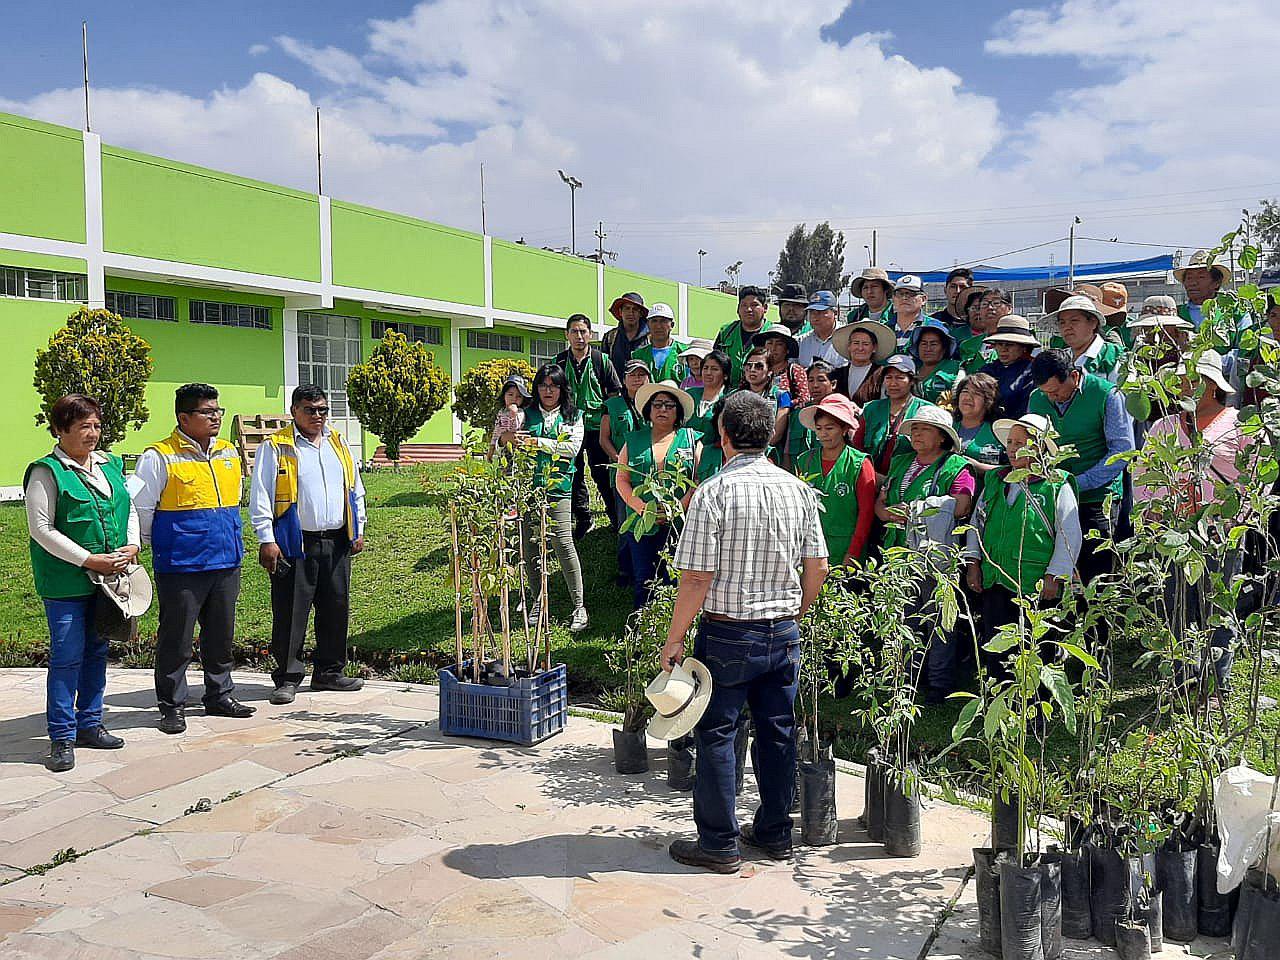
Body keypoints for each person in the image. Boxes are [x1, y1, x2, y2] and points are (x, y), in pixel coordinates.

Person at [662, 391, 829, 873]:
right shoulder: (797, 490)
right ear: (770, 435)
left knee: (716, 734)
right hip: (782, 633)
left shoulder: (712, 493)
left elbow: (696, 577)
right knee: (778, 732)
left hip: (728, 633)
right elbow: (816, 565)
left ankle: (719, 843)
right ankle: (775, 834)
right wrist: (796, 610)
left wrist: (675, 638)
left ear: (724, 435)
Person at [26, 394, 140, 772]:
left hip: (108, 580)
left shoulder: (108, 464)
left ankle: (90, 723)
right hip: (66, 582)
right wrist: (88, 559)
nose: (92, 434)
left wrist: (132, 545)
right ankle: (62, 735)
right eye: (82, 427)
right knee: (67, 657)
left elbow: (128, 507)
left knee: (97, 652)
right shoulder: (46, 472)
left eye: (96, 425)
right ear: (60, 430)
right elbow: (41, 529)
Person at [131, 383, 254, 734]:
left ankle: (219, 694)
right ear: (184, 417)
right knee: (177, 639)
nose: (216, 417)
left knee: (221, 635)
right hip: (182, 564)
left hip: (226, 561)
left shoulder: (229, 452)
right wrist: (148, 549)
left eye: (218, 411)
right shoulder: (159, 456)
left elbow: (233, 502)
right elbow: (141, 509)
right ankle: (172, 705)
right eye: (207, 412)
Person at [1135, 351, 1256, 694]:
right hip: (1176, 531)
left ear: (1211, 384)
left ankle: (1217, 683)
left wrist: (1238, 519)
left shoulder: (1240, 424)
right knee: (1178, 603)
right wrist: (1152, 512)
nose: (1185, 385)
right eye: (1181, 379)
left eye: (1192, 378)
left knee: (1218, 604)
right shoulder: (1164, 426)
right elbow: (1144, 476)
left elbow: (1255, 477)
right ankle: (1183, 679)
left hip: (1222, 532)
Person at [250, 384, 368, 704]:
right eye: (310, 410)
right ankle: (287, 677)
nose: (318, 416)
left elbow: (355, 488)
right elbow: (260, 495)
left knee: (335, 609)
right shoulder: (276, 447)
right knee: (291, 613)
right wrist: (266, 539)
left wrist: (358, 527)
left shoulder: (338, 443)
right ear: (294, 411)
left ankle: (329, 672)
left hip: (337, 541)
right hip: (294, 541)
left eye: (323, 410)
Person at [874, 405, 974, 699]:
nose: (916, 434)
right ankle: (905, 679)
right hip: (898, 550)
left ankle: (939, 682)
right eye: (914, 429)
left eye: (924, 429)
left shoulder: (956, 467)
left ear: (942, 437)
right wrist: (891, 514)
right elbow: (882, 503)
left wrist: (919, 510)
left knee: (939, 617)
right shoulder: (901, 462)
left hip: (936, 555)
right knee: (904, 615)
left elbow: (962, 506)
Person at [965, 414, 1082, 662]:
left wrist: (1055, 574)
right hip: (996, 577)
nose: (1011, 449)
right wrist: (973, 563)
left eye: (1020, 443)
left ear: (1039, 447)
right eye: (1010, 442)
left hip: (1036, 582)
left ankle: (1038, 699)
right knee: (997, 643)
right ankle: (1000, 695)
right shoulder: (996, 481)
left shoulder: (1056, 485)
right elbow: (977, 523)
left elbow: (1069, 535)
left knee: (1037, 647)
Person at [1027, 350, 1134, 588]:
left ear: (1074, 376)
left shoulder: (1107, 394)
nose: (1052, 398)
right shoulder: (1037, 398)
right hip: (1053, 498)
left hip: (1097, 500)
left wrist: (1078, 483)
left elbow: (1121, 451)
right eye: (1047, 393)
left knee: (1096, 577)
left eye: (1056, 391)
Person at [614, 381, 700, 608]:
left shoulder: (690, 440)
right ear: (649, 410)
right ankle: (641, 630)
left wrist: (679, 506)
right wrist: (641, 507)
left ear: (678, 412)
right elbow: (621, 479)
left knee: (674, 577)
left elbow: (697, 480)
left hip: (679, 523)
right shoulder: (633, 441)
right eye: (658, 404)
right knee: (644, 579)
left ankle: (672, 631)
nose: (663, 409)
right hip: (641, 522)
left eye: (669, 405)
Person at [520, 364, 589, 632]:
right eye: (543, 385)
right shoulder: (526, 415)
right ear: (536, 389)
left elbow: (571, 449)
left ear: (562, 389)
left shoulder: (574, 416)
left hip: (559, 487)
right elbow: (512, 443)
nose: (548, 391)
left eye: (554, 385)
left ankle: (579, 605)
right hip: (528, 487)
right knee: (530, 546)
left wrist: (538, 443)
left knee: (562, 542)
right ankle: (539, 600)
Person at [553, 313, 624, 542]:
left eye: (583, 331)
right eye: (574, 331)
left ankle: (614, 516)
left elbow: (614, 393)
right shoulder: (560, 362)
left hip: (596, 426)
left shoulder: (602, 360)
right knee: (573, 474)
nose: (579, 336)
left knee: (601, 473)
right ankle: (583, 517)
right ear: (567, 335)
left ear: (590, 334)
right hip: (570, 426)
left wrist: (607, 420)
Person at [793, 394, 876, 565]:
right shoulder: (804, 460)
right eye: (819, 428)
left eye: (829, 428)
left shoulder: (860, 463)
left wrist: (853, 552)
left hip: (846, 548)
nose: (823, 434)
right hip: (811, 547)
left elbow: (866, 513)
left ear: (844, 429)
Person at [601, 359, 653, 587]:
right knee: (625, 522)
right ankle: (626, 570)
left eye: (642, 375)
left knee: (650, 517)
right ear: (624, 379)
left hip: (649, 474)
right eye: (632, 375)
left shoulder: (656, 403)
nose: (637, 379)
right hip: (622, 474)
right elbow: (604, 438)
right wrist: (618, 460)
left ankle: (650, 567)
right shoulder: (612, 405)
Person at [855, 355, 934, 480]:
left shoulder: (925, 411)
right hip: (870, 478)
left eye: (900, 378)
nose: (893, 383)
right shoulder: (872, 409)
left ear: (912, 381)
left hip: (908, 480)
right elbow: (857, 447)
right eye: (888, 377)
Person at [1045, 295, 1125, 383]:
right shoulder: (1060, 359)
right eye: (1062, 322)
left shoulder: (1113, 356)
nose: (1067, 327)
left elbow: (1122, 394)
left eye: (1074, 320)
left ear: (1093, 323)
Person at [980, 314, 1039, 418]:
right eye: (999, 344)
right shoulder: (987, 370)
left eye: (1010, 344)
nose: (1003, 349)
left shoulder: (1034, 372)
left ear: (1024, 347)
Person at [714, 285, 774, 384]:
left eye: (754, 305)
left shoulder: (773, 332)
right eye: (744, 305)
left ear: (765, 308)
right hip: (729, 393)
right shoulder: (726, 332)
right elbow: (715, 362)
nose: (748, 309)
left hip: (760, 393)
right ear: (738, 309)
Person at [787, 359, 838, 470]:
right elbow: (787, 452)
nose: (815, 385)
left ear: (833, 384)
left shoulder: (839, 414)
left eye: (821, 380)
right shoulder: (797, 414)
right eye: (810, 380)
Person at [739, 345, 792, 454]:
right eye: (748, 366)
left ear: (770, 371)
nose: (752, 370)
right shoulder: (736, 396)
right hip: (738, 452)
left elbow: (776, 434)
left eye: (759, 366)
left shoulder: (781, 395)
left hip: (767, 454)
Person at [832, 319, 895, 405]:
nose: (860, 348)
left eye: (865, 344)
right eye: (856, 343)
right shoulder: (838, 373)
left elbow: (885, 405)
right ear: (849, 346)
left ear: (874, 348)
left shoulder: (882, 374)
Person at [954, 373, 1005, 471]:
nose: (968, 397)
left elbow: (1010, 470)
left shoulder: (998, 434)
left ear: (988, 401)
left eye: (976, 394)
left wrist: (979, 467)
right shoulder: (947, 426)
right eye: (965, 391)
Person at [1174, 250, 1232, 332]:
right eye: (1189, 278)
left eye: (1201, 277)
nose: (1193, 283)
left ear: (1216, 283)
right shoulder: (1174, 315)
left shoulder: (1233, 313)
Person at [959, 288, 1012, 373]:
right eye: (984, 304)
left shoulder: (1021, 341)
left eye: (996, 303)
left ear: (1009, 309)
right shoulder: (968, 345)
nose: (990, 307)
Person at [753, 328, 810, 406]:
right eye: (770, 343)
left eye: (779, 344)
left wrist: (784, 403)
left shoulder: (795, 370)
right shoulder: (754, 368)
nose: (773, 348)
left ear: (787, 350)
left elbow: (804, 399)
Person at [632, 302, 687, 383]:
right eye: (654, 321)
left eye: (663, 321)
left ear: (672, 325)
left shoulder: (685, 352)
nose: (658, 326)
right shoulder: (638, 355)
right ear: (648, 324)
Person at [910, 319, 962, 403]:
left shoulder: (957, 369)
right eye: (924, 344)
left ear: (944, 348)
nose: (928, 349)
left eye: (933, 344)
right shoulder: (911, 368)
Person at [601, 292, 650, 379]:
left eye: (635, 309)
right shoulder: (610, 337)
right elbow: (603, 367)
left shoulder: (651, 338)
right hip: (617, 390)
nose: (630, 313)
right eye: (627, 308)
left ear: (641, 313)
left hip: (643, 389)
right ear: (620, 312)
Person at [687, 349, 732, 440]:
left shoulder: (730, 400)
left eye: (714, 369)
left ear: (725, 375)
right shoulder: (690, 394)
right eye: (705, 368)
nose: (708, 373)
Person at [487, 374, 530, 460]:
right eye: (510, 395)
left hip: (518, 448)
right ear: (504, 396)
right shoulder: (501, 412)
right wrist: (491, 449)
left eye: (519, 396)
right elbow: (497, 430)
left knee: (517, 469)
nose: (514, 399)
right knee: (504, 469)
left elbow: (515, 428)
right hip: (504, 448)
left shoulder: (520, 412)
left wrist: (513, 414)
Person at [796, 290, 843, 368]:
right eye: (812, 312)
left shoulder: (849, 339)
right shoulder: (801, 343)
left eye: (820, 312)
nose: (815, 317)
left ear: (835, 312)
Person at [888, 275, 928, 353]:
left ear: (923, 299)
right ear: (893, 298)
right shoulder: (883, 329)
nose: (904, 298)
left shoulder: (934, 327)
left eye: (911, 293)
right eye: (899, 294)